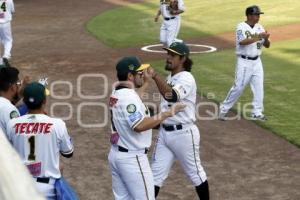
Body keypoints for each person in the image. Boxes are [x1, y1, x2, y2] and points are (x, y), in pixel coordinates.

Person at [108, 56, 185, 200]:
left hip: (116, 156)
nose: (142, 75)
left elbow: (133, 100)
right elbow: (139, 125)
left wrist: (147, 82)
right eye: (139, 73)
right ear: (130, 76)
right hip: (132, 159)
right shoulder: (129, 98)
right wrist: (169, 113)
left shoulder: (117, 93)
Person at [147, 42, 210, 199]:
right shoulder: (171, 77)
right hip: (165, 134)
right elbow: (167, 106)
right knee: (154, 175)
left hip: (184, 135)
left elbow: (171, 96)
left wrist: (155, 76)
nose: (168, 57)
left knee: (195, 174)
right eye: (168, 54)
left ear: (182, 59)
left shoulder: (187, 78)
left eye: (172, 55)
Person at [6, 82, 75, 200]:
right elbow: (68, 153)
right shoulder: (57, 124)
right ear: (44, 101)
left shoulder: (12, 124)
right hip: (46, 189)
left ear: (25, 102)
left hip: (21, 187)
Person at [219, 5, 270, 121]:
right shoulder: (241, 27)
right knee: (238, 87)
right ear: (249, 15)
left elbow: (267, 45)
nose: (258, 17)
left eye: (259, 15)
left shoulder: (260, 27)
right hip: (244, 61)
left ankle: (257, 112)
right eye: (256, 15)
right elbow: (242, 41)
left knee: (259, 87)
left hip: (257, 61)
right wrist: (259, 36)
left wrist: (266, 38)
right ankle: (223, 109)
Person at [0, 66, 20, 137]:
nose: (18, 87)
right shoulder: (9, 109)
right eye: (17, 84)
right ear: (12, 87)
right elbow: (17, 138)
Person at [0, 0, 15, 67]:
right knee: (8, 40)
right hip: (6, 23)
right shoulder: (9, 0)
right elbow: (12, 11)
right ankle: (6, 56)